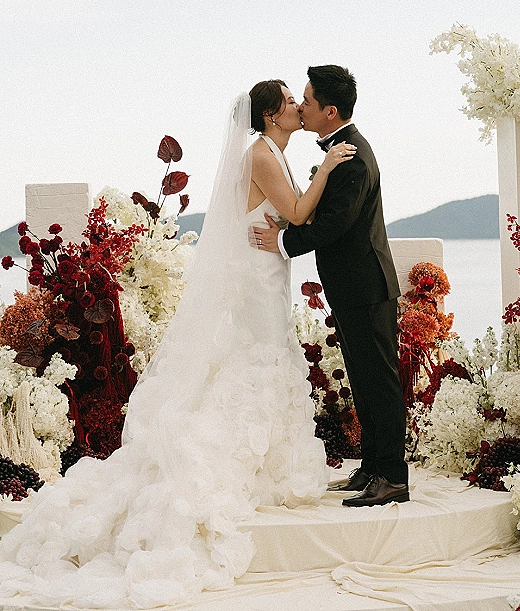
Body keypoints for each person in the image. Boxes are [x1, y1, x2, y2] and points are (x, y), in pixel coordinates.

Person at [0, 82, 355, 609]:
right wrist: (325, 171)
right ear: (270, 114)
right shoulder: (261, 154)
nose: (298, 106)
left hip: (266, 272)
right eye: (289, 100)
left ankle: (267, 457)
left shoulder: (272, 151)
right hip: (257, 279)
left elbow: (282, 217)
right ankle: (240, 461)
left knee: (264, 359)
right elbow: (299, 214)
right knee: (255, 362)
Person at [253, 65, 409, 507]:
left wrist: (283, 240)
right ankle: (373, 467)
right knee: (363, 379)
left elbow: (336, 224)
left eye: (307, 100)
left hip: (366, 284)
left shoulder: (352, 155)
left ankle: (393, 477)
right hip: (352, 285)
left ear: (330, 110)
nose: (301, 106)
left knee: (380, 381)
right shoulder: (339, 150)